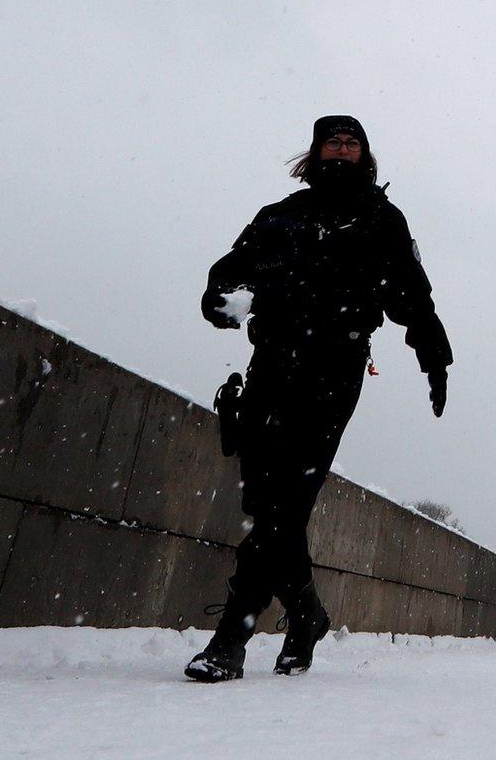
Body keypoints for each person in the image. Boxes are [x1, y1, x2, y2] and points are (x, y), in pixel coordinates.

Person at [185, 115, 453, 683]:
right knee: (267, 507)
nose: (342, 147)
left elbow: (410, 293)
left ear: (365, 155)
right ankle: (306, 614)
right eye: (333, 140)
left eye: (352, 141)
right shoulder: (280, 216)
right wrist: (221, 301)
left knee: (285, 504)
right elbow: (232, 273)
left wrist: (432, 352)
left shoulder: (381, 219)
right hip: (271, 367)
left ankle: (232, 635)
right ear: (315, 151)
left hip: (333, 370)